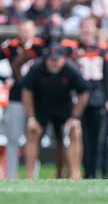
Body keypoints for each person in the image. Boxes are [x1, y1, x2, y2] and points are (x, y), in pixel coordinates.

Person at [22, 43, 89, 179]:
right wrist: (31, 118)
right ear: (46, 59)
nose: (54, 63)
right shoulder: (36, 68)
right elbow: (26, 92)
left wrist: (75, 116)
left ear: (63, 59)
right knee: (32, 131)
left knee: (75, 130)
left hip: (64, 108)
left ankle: (74, 174)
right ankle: (29, 175)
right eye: (51, 59)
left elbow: (84, 92)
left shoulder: (71, 69)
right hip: (41, 107)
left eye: (57, 59)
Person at [0, 20, 45, 179]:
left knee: (33, 138)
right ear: (18, 31)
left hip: (36, 99)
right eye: (23, 30)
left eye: (29, 30)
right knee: (13, 138)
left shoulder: (41, 47)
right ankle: (11, 175)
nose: (26, 33)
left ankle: (32, 174)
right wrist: (5, 79)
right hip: (17, 98)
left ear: (34, 31)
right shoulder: (10, 46)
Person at [72, 17, 108, 179]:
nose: (87, 31)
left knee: (99, 138)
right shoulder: (74, 50)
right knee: (82, 138)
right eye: (84, 27)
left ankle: (100, 171)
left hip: (98, 98)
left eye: (90, 27)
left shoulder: (102, 51)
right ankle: (86, 171)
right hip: (80, 99)